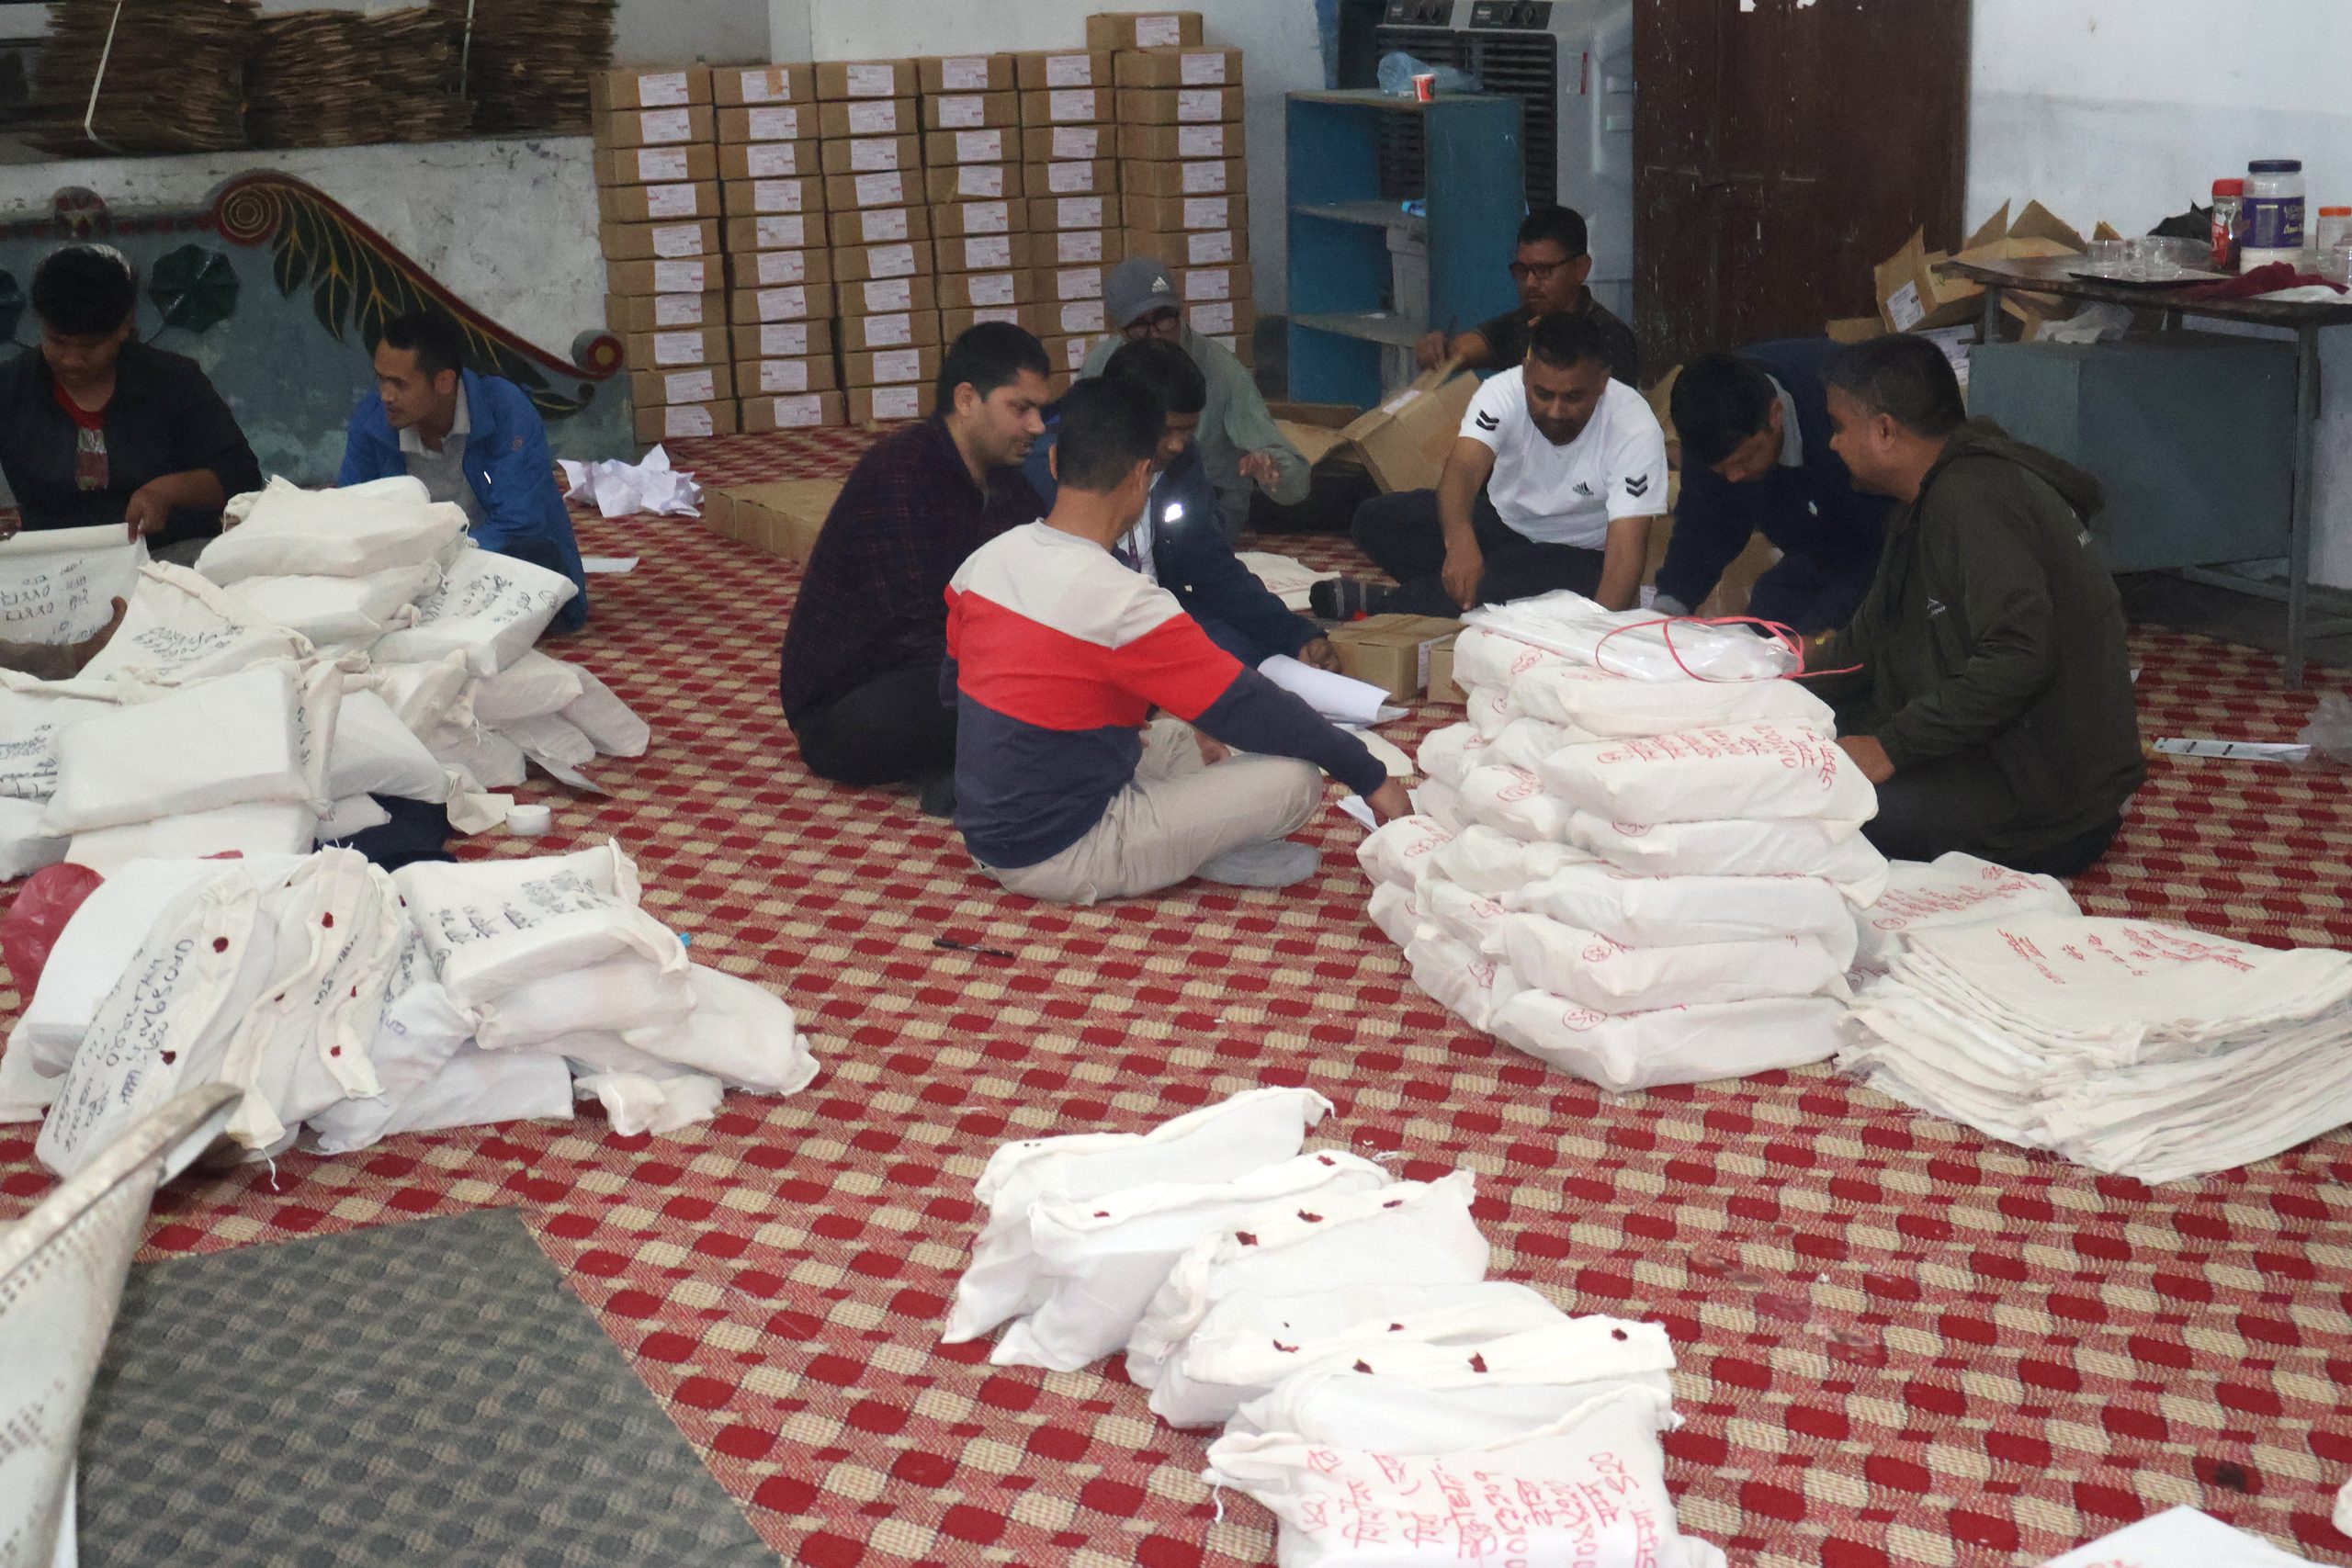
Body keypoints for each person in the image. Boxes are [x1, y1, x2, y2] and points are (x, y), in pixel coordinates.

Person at [944, 377, 1410, 905]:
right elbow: (1248, 704)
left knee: (1193, 740)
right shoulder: (1123, 599)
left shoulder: (985, 561)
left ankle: (1190, 842)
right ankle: (1193, 849)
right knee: (1295, 777)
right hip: (1064, 850)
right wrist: (1371, 777)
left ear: (1053, 463)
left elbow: (955, 691)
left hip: (989, 829)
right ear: (1141, 475)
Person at [1808, 334, 2144, 875]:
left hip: (2050, 805)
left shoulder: (1974, 497)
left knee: (1815, 814)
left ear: (1885, 430)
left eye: (1840, 426)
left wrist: (1891, 747)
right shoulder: (1927, 500)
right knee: (1804, 746)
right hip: (2000, 758)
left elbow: (2020, 657)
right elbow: (1862, 650)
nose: (1832, 443)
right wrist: (1769, 688)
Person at [779, 322, 1050, 816]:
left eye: (1039, 411)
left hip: (946, 673)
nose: (1037, 426)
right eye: (1021, 408)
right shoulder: (900, 471)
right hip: (849, 705)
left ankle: (961, 769)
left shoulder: (1009, 486)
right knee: (1022, 698)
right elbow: (914, 630)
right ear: (967, 399)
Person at [1321, 312, 1668, 619]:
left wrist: (1597, 632)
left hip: (1580, 555)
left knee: (1504, 575)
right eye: (1543, 394)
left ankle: (1388, 604)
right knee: (1375, 519)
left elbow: (1625, 554)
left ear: (1602, 383)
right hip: (1504, 527)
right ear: (1526, 372)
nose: (1555, 411)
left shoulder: (1634, 426)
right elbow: (1463, 470)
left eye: (1573, 397)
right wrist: (1459, 541)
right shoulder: (1502, 391)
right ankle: (1466, 595)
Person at [1025, 340, 1340, 671]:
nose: (1177, 445)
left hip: (1163, 610)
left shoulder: (1183, 463)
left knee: (1252, 659)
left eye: (1188, 432)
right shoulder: (1061, 468)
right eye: (1166, 430)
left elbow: (1210, 566)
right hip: (1082, 631)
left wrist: (1296, 634)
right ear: (1122, 415)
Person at [0, 245, 263, 560]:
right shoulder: (10, 388)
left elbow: (241, 475)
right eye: (57, 341)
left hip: (167, 553)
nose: (71, 360)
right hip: (53, 560)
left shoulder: (174, 380)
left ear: (125, 326)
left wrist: (166, 491)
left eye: (90, 346)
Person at [339, 310, 587, 630]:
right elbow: (351, 515)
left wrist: (436, 561)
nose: (385, 395)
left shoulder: (506, 410)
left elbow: (520, 523)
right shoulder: (373, 420)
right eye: (381, 379)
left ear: (444, 381)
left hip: (499, 562)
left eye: (399, 383)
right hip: (416, 572)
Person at [1659, 339, 1889, 634]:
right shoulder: (1708, 422)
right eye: (1722, 470)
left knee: (1812, 641)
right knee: (1767, 615)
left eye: (1745, 460)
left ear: (1776, 414)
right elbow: (1703, 527)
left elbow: (1879, 547)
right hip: (1816, 554)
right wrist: (1669, 608)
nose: (1734, 477)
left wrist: (1820, 633)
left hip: (1889, 551)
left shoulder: (1843, 414)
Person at [1080, 257, 1306, 540]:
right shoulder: (1101, 363)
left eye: (1165, 318)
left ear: (1181, 311)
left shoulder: (1224, 372)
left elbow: (1297, 480)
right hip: (1126, 500)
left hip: (1204, 508)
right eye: (1138, 326)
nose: (1155, 335)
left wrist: (1272, 468)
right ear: (1117, 327)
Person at [1415, 206, 1641, 388]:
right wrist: (1438, 350)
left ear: (1581, 269)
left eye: (1543, 270)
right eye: (1522, 270)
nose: (1530, 283)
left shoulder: (1610, 338)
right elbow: (1465, 349)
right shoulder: (1523, 323)